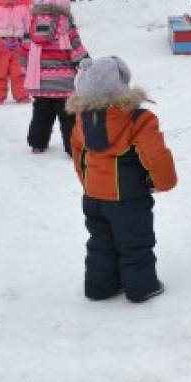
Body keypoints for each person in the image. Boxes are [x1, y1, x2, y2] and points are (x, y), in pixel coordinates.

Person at [67, 57, 177, 303]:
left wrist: (87, 184)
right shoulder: (137, 119)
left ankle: (100, 287)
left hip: (93, 196)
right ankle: (142, 287)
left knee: (100, 243)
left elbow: (78, 155)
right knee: (134, 242)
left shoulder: (82, 121)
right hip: (128, 198)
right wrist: (164, 182)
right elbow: (154, 155)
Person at [25, 0, 89, 154]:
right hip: (64, 80)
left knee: (41, 113)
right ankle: (72, 147)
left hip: (40, 80)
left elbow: (25, 48)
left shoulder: (31, 22)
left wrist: (25, 68)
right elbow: (75, 47)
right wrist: (85, 62)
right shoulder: (65, 22)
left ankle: (37, 143)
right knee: (68, 114)